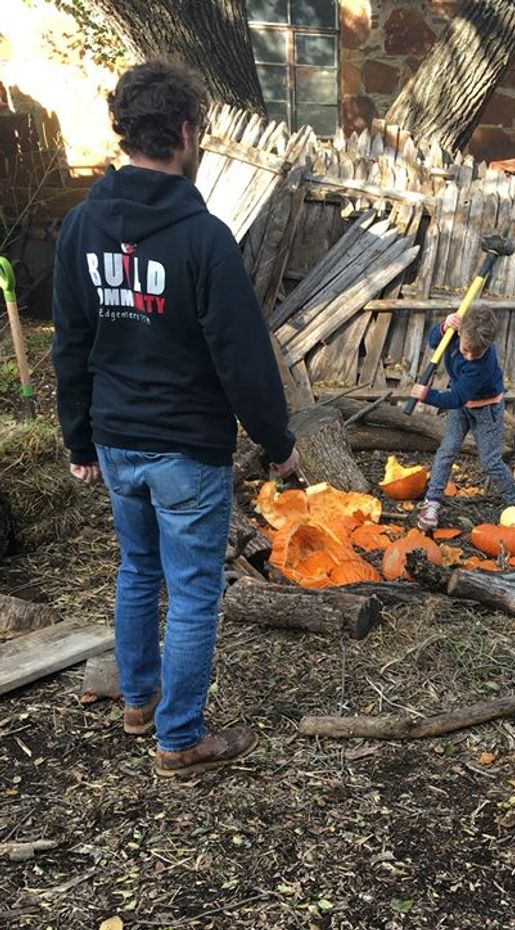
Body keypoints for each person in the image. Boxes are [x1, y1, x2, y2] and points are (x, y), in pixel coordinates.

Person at [53, 60, 300, 777]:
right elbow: (242, 356)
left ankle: (141, 700)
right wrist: (277, 442)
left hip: (117, 439)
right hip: (185, 449)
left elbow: (71, 340)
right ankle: (180, 737)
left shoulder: (79, 226)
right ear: (187, 133)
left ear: (124, 130)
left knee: (137, 570)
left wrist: (79, 437)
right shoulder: (203, 239)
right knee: (192, 592)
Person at [411, 305, 515, 531]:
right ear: (460, 331)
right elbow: (434, 342)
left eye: (477, 352)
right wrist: (444, 326)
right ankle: (432, 502)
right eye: (466, 350)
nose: (470, 356)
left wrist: (427, 395)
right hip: (461, 407)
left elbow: (457, 398)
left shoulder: (481, 364)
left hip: (486, 410)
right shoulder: (457, 332)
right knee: (447, 450)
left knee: (490, 460)